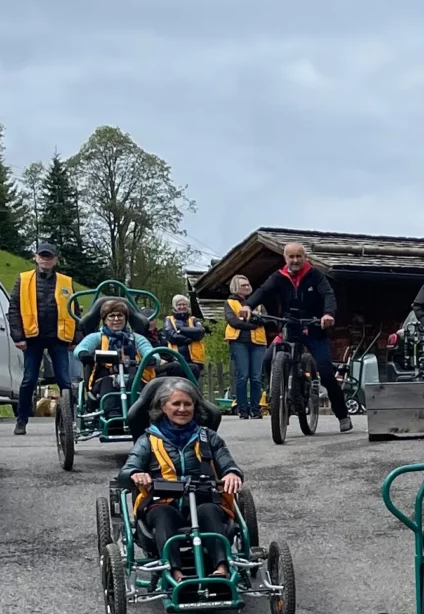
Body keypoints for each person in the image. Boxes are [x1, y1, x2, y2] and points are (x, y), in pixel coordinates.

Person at [116, 377, 244, 569]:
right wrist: (136, 474)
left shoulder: (208, 437)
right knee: (163, 514)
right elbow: (126, 473)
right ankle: (173, 571)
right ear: (163, 407)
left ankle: (222, 567)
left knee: (208, 511)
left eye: (187, 404)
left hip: (204, 499)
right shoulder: (148, 439)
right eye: (176, 404)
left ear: (195, 407)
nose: (182, 409)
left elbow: (227, 463)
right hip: (163, 501)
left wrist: (232, 473)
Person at [252, 240, 354, 432]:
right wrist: (247, 307)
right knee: (267, 360)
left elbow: (328, 295)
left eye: (299, 256)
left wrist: (328, 314)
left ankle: (342, 415)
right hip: (289, 328)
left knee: (325, 372)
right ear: (285, 258)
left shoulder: (315, 276)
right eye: (291, 256)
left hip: (314, 328)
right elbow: (262, 291)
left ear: (305, 257)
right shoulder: (278, 277)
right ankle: (277, 395)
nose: (295, 260)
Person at [7, 238, 78, 432]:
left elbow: (75, 311)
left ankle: (69, 421)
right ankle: (21, 420)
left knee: (64, 380)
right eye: (42, 256)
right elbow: (13, 308)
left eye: (49, 257)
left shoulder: (66, 282)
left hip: (59, 338)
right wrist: (18, 336)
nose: (46, 260)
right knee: (29, 379)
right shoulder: (23, 279)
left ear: (55, 260)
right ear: (36, 258)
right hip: (32, 337)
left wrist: (75, 339)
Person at [73, 298, 155, 403]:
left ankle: (135, 414)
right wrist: (83, 354)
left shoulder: (137, 338)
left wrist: (152, 359)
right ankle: (112, 415)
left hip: (133, 376)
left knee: (135, 384)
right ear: (105, 320)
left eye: (120, 315)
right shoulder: (96, 337)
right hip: (105, 377)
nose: (116, 319)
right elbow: (80, 349)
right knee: (108, 383)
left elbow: (149, 351)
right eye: (112, 316)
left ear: (126, 319)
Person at [224, 276, 268, 418]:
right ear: (236, 287)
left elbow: (265, 319)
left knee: (256, 377)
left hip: (258, 343)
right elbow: (233, 321)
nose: (247, 287)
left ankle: (255, 410)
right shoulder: (230, 302)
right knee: (242, 376)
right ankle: (242, 409)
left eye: (248, 285)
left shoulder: (258, 303)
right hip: (238, 342)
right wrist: (252, 325)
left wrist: (252, 322)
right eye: (243, 285)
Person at [160, 293, 207, 368]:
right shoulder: (169, 319)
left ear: (187, 306)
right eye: (179, 305)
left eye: (184, 304)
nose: (182, 307)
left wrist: (181, 330)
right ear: (175, 306)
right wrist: (189, 338)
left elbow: (200, 332)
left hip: (195, 359)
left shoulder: (193, 319)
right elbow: (171, 336)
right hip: (176, 358)